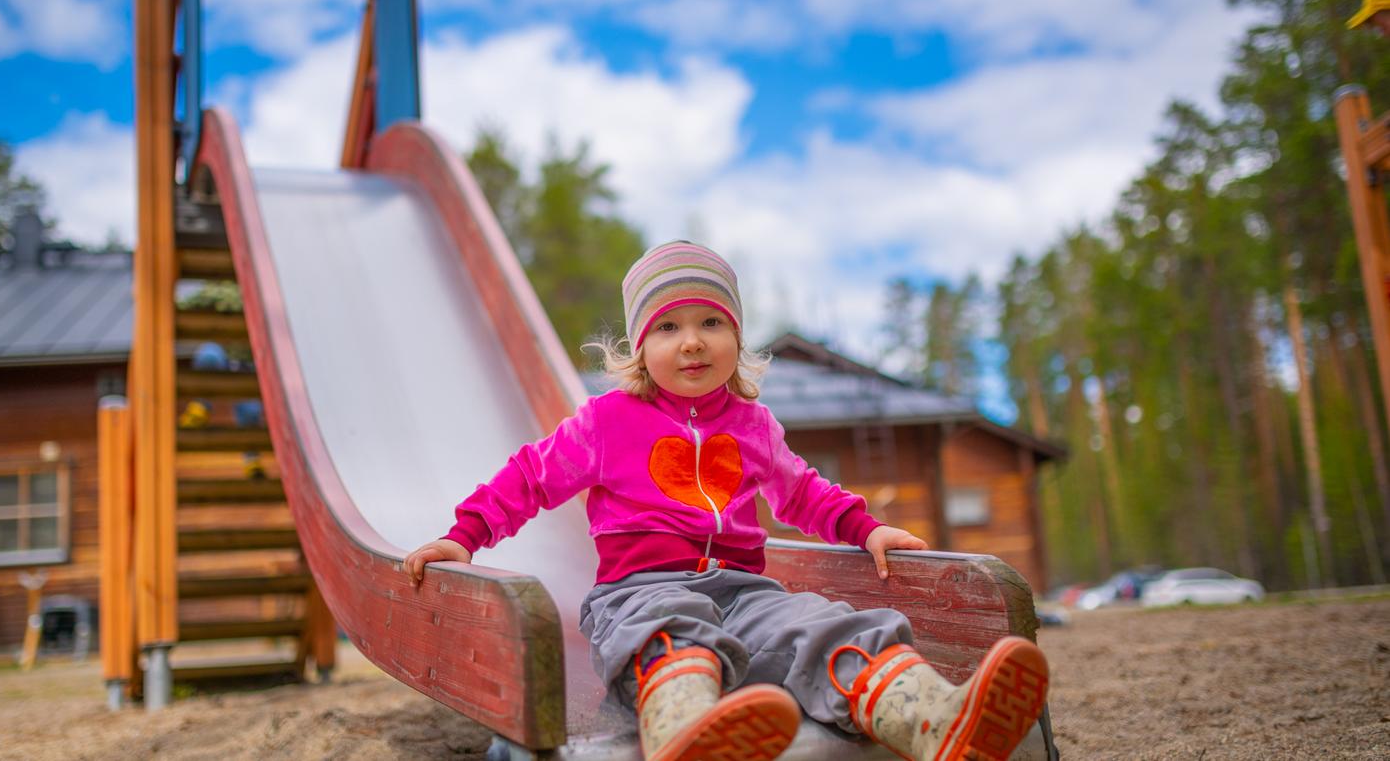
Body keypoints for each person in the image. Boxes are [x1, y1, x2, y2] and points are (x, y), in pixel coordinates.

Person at [404, 241, 1050, 761]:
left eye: (712, 321)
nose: (692, 340)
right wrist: (465, 535)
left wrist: (865, 528)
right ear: (640, 347)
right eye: (669, 326)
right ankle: (685, 728)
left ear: (737, 339)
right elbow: (530, 477)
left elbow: (803, 490)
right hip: (638, 589)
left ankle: (934, 720)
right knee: (673, 631)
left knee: (824, 623)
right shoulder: (607, 421)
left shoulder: (753, 424)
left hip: (743, 590)